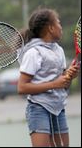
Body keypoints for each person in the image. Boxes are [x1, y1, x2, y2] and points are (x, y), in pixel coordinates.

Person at [17, 8, 80, 147]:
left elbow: (63, 84)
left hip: (58, 109)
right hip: (39, 109)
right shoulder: (33, 53)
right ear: (51, 28)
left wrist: (69, 77)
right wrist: (54, 84)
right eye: (59, 23)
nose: (61, 27)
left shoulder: (59, 50)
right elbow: (22, 87)